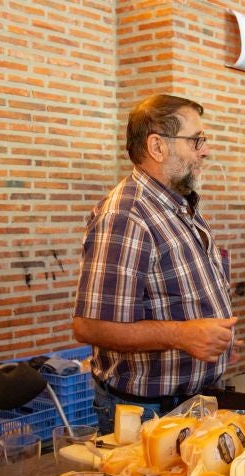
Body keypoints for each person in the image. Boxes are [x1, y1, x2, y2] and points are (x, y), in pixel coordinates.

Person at [72, 94, 236, 435]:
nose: (205, 150)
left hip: (193, 401)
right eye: (196, 140)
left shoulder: (180, 206)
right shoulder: (126, 214)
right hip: (147, 414)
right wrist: (183, 336)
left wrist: (213, 340)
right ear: (158, 147)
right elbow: (90, 326)